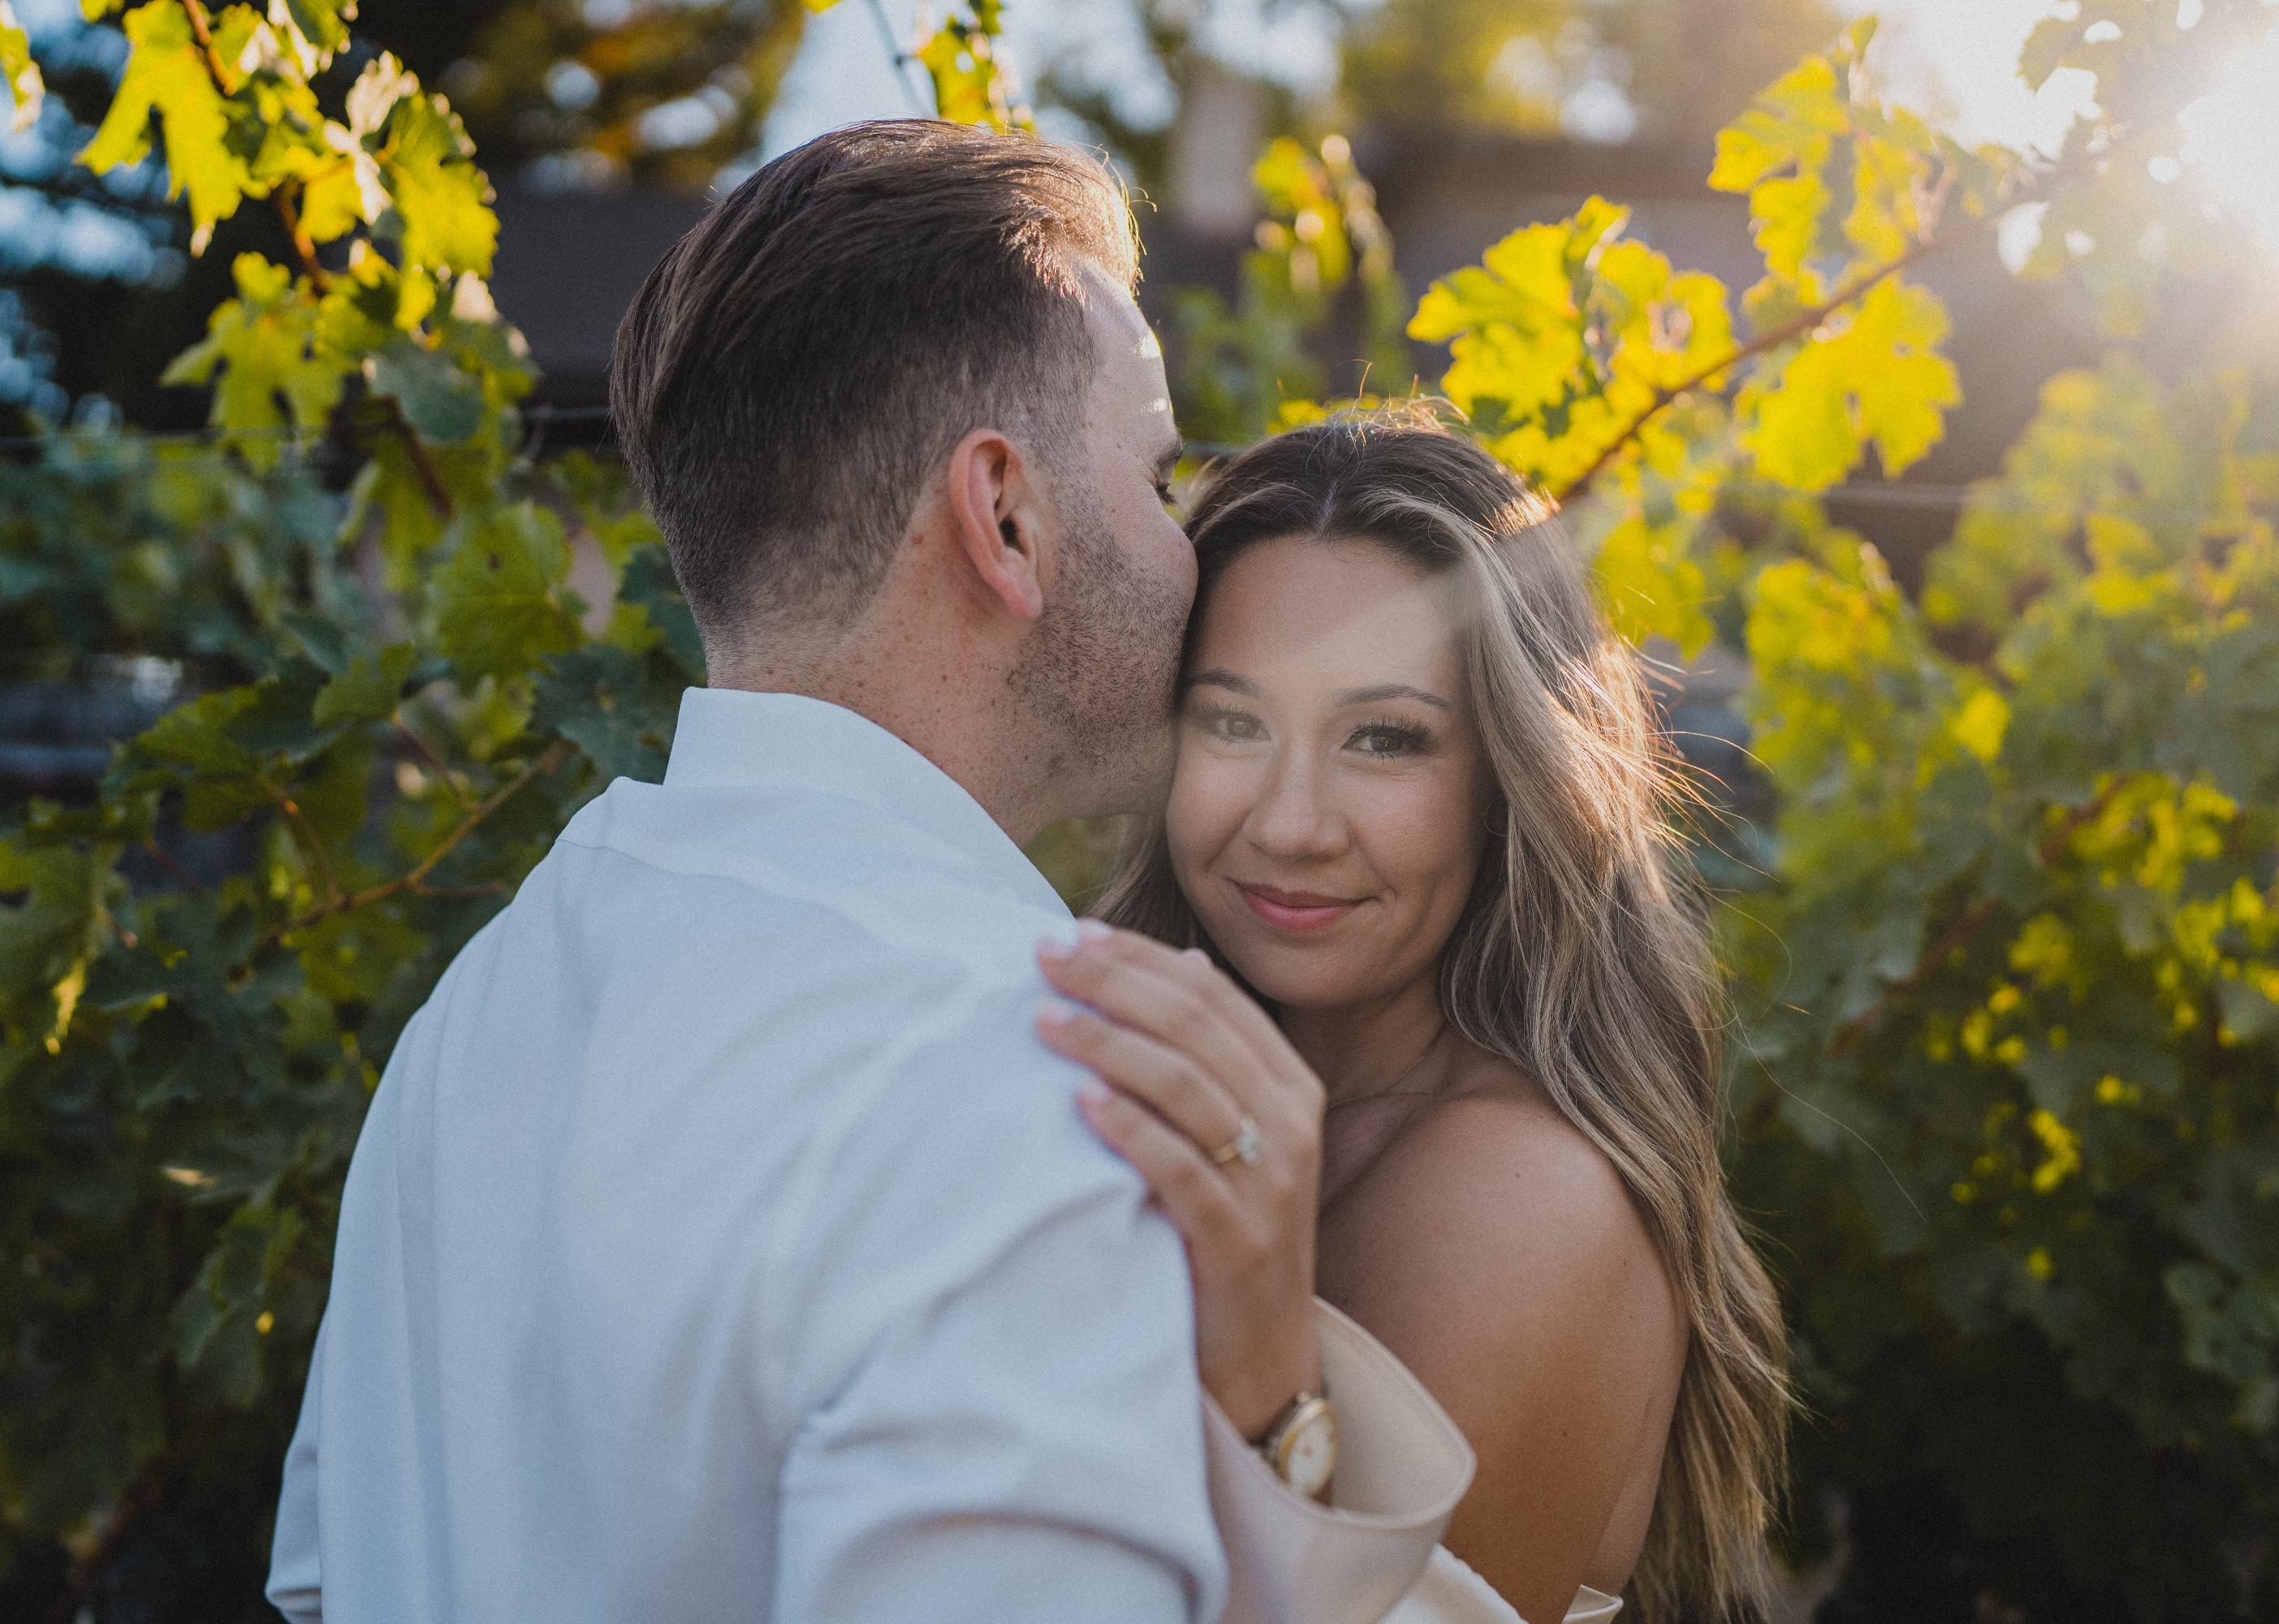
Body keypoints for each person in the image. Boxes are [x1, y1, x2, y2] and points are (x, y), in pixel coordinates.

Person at [264, 121, 1473, 1624]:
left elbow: (328, 1580)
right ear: (1008, 517)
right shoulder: (1045, 1079)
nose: (1189, 556)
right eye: (1160, 482)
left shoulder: (477, 1006)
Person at [1037, 414, 1793, 1623]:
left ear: (1508, 780)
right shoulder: (1187, 1076)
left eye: (1384, 740)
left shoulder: (1516, 1197)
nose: (1290, 824)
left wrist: (1268, 1389)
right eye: (1233, 721)